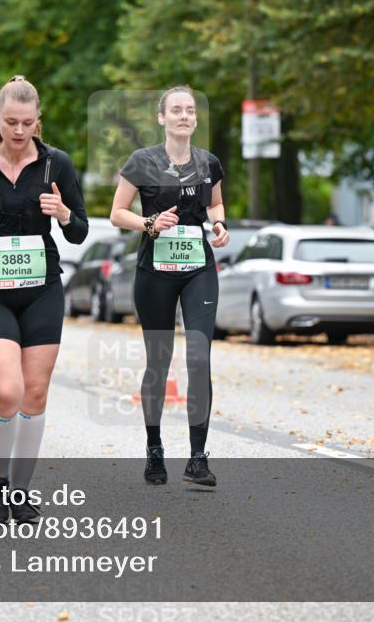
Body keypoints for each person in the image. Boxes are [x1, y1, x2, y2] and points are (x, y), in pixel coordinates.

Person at [0, 76, 88, 524]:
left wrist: (64, 213)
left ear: (37, 121)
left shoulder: (56, 165)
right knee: (6, 392)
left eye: (28, 123)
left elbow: (80, 229)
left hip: (41, 287)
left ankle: (21, 492)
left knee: (35, 392)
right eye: (11, 122)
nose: (19, 130)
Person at [110, 85, 229, 487]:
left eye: (190, 110)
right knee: (159, 362)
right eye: (175, 110)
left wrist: (219, 224)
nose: (183, 116)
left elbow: (215, 203)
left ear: (195, 119)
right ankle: (154, 449)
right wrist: (149, 223)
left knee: (199, 356)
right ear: (162, 118)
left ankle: (198, 458)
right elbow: (116, 213)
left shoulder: (208, 162)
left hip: (199, 267)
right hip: (155, 270)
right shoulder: (142, 162)